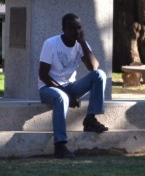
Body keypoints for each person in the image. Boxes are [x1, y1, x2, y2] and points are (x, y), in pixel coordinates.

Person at [38, 13, 109, 159]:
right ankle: (60, 145)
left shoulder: (80, 43)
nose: (76, 31)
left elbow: (93, 67)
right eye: (72, 28)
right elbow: (43, 75)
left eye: (79, 28)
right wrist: (67, 94)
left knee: (100, 75)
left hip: (70, 86)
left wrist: (82, 43)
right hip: (48, 88)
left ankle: (90, 119)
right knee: (62, 98)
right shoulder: (51, 44)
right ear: (63, 29)